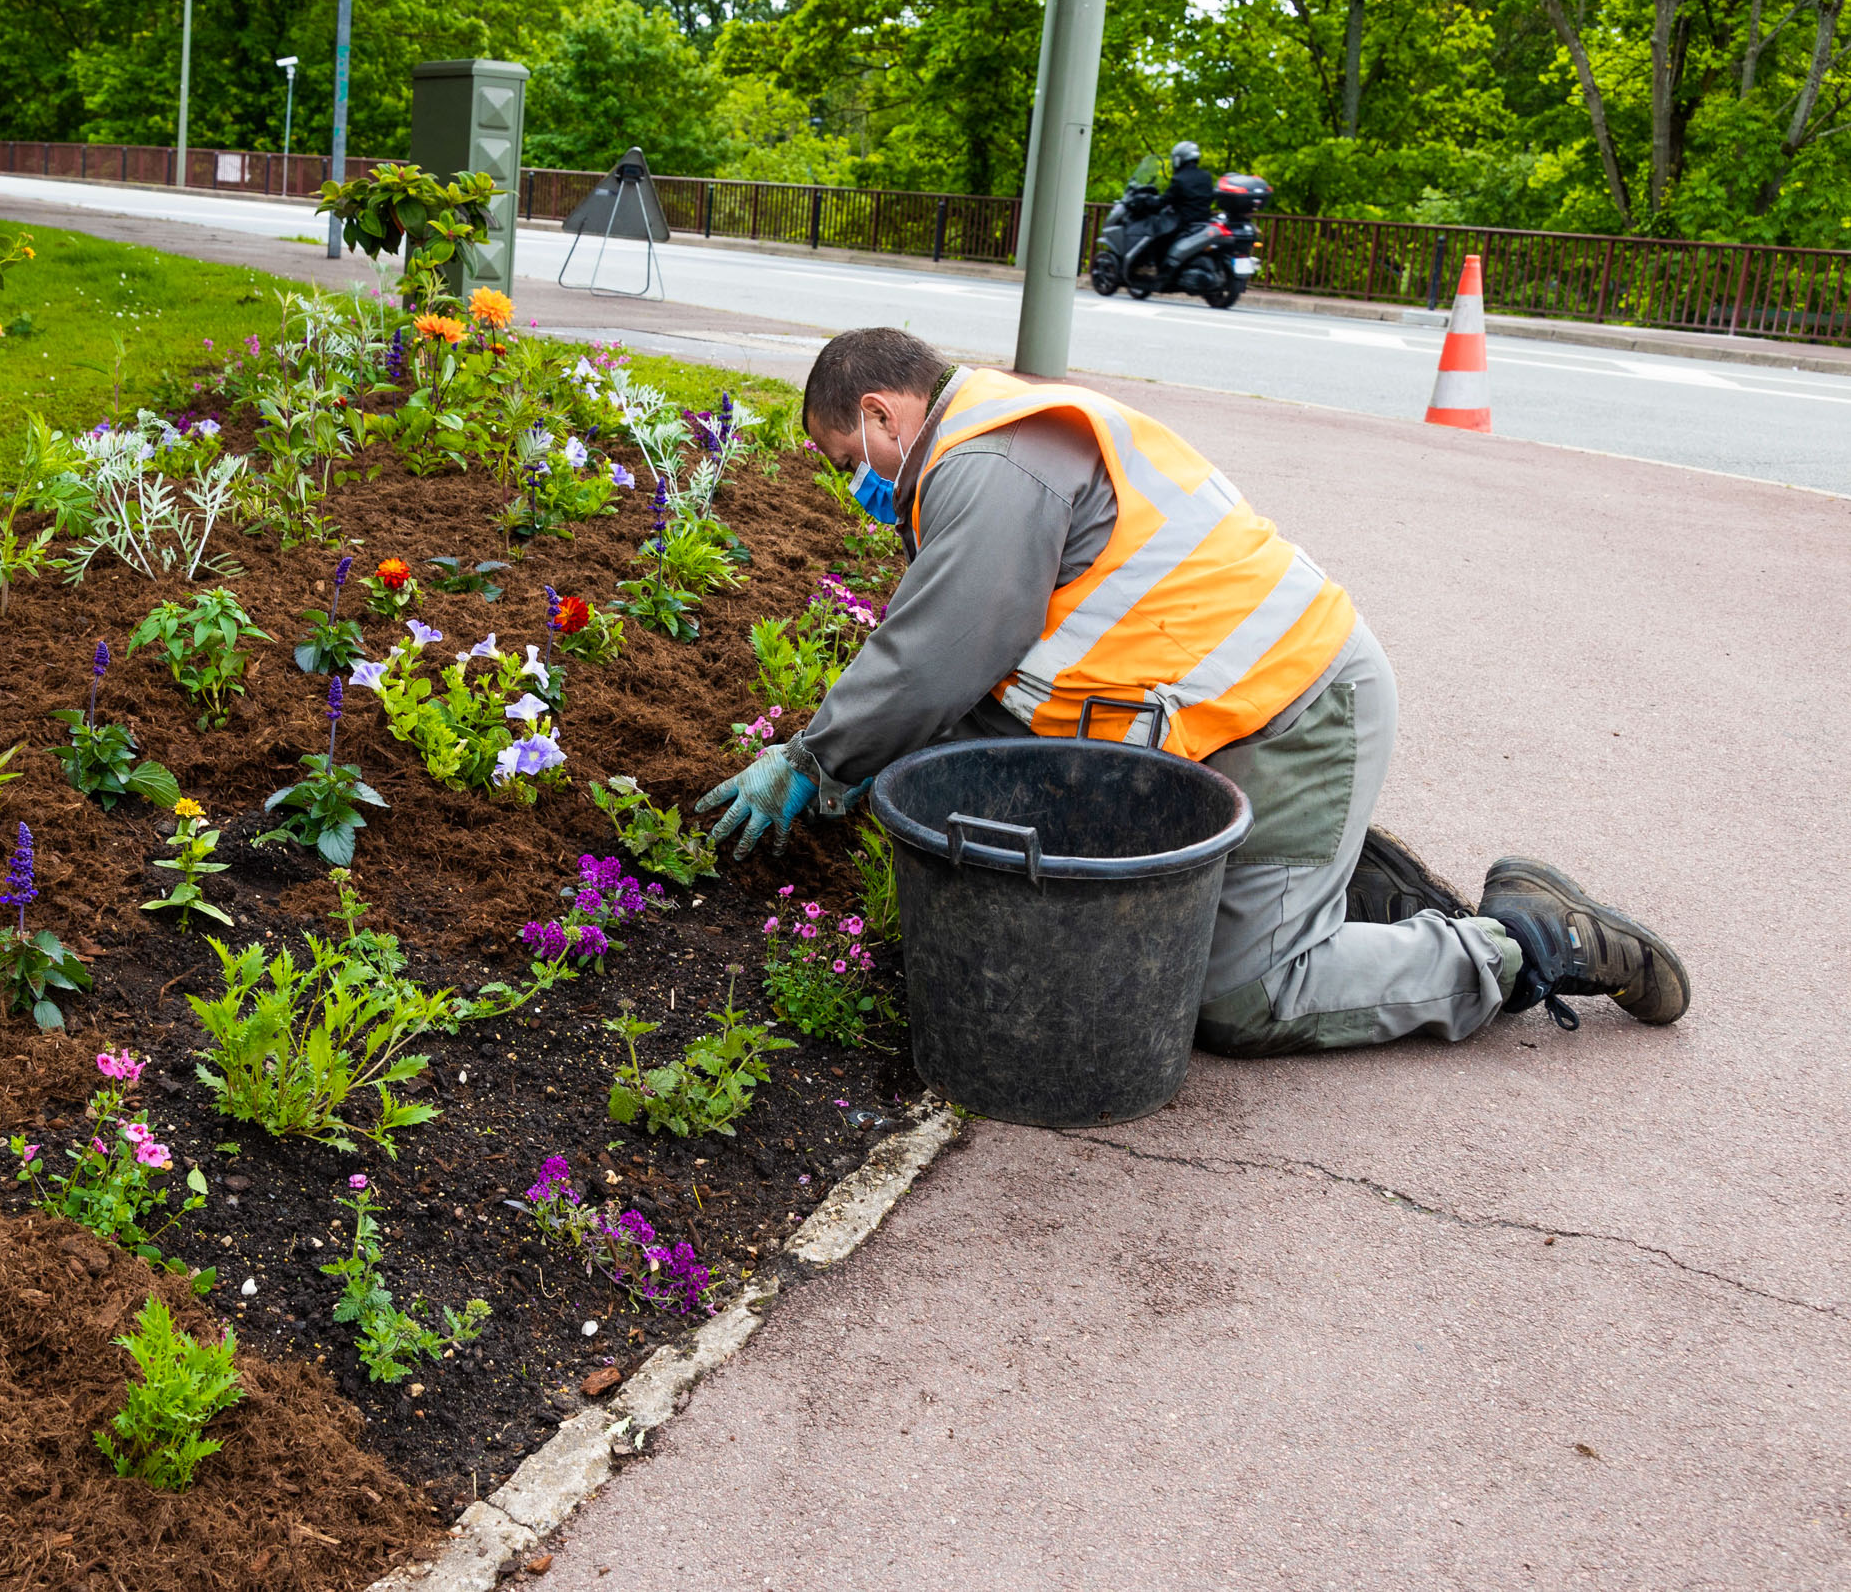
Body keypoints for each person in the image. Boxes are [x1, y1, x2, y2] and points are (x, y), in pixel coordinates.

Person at [698, 328, 1690, 1054]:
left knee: (1241, 996)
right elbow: (971, 702)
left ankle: (1525, 942)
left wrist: (810, 759)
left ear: (882, 413)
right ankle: (1365, 892)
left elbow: (935, 654)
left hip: (1297, 717)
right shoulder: (987, 445)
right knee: (957, 756)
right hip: (1222, 725)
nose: (854, 488)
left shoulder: (995, 464)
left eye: (847, 462)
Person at [1129, 140, 1215, 277]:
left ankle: (1150, 266)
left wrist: (1147, 200)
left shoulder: (1180, 178)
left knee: (1154, 232)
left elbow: (1164, 201)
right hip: (1203, 220)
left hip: (1183, 221)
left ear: (1179, 159)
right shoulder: (1206, 176)